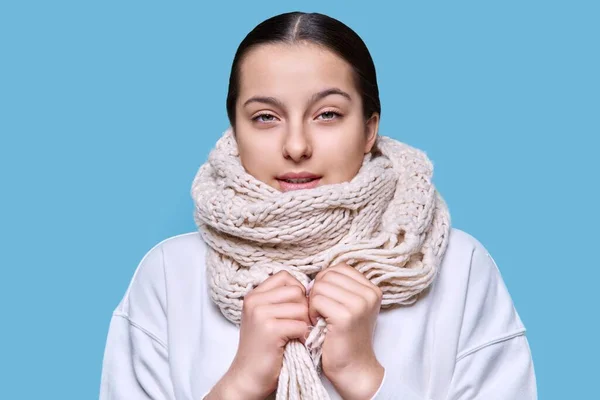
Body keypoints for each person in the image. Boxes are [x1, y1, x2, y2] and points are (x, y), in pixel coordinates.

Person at [99, 11, 537, 400]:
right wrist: (241, 384)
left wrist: (362, 376)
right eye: (265, 117)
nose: (295, 146)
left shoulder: (459, 268)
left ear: (369, 130)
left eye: (327, 114)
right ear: (234, 131)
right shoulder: (168, 274)